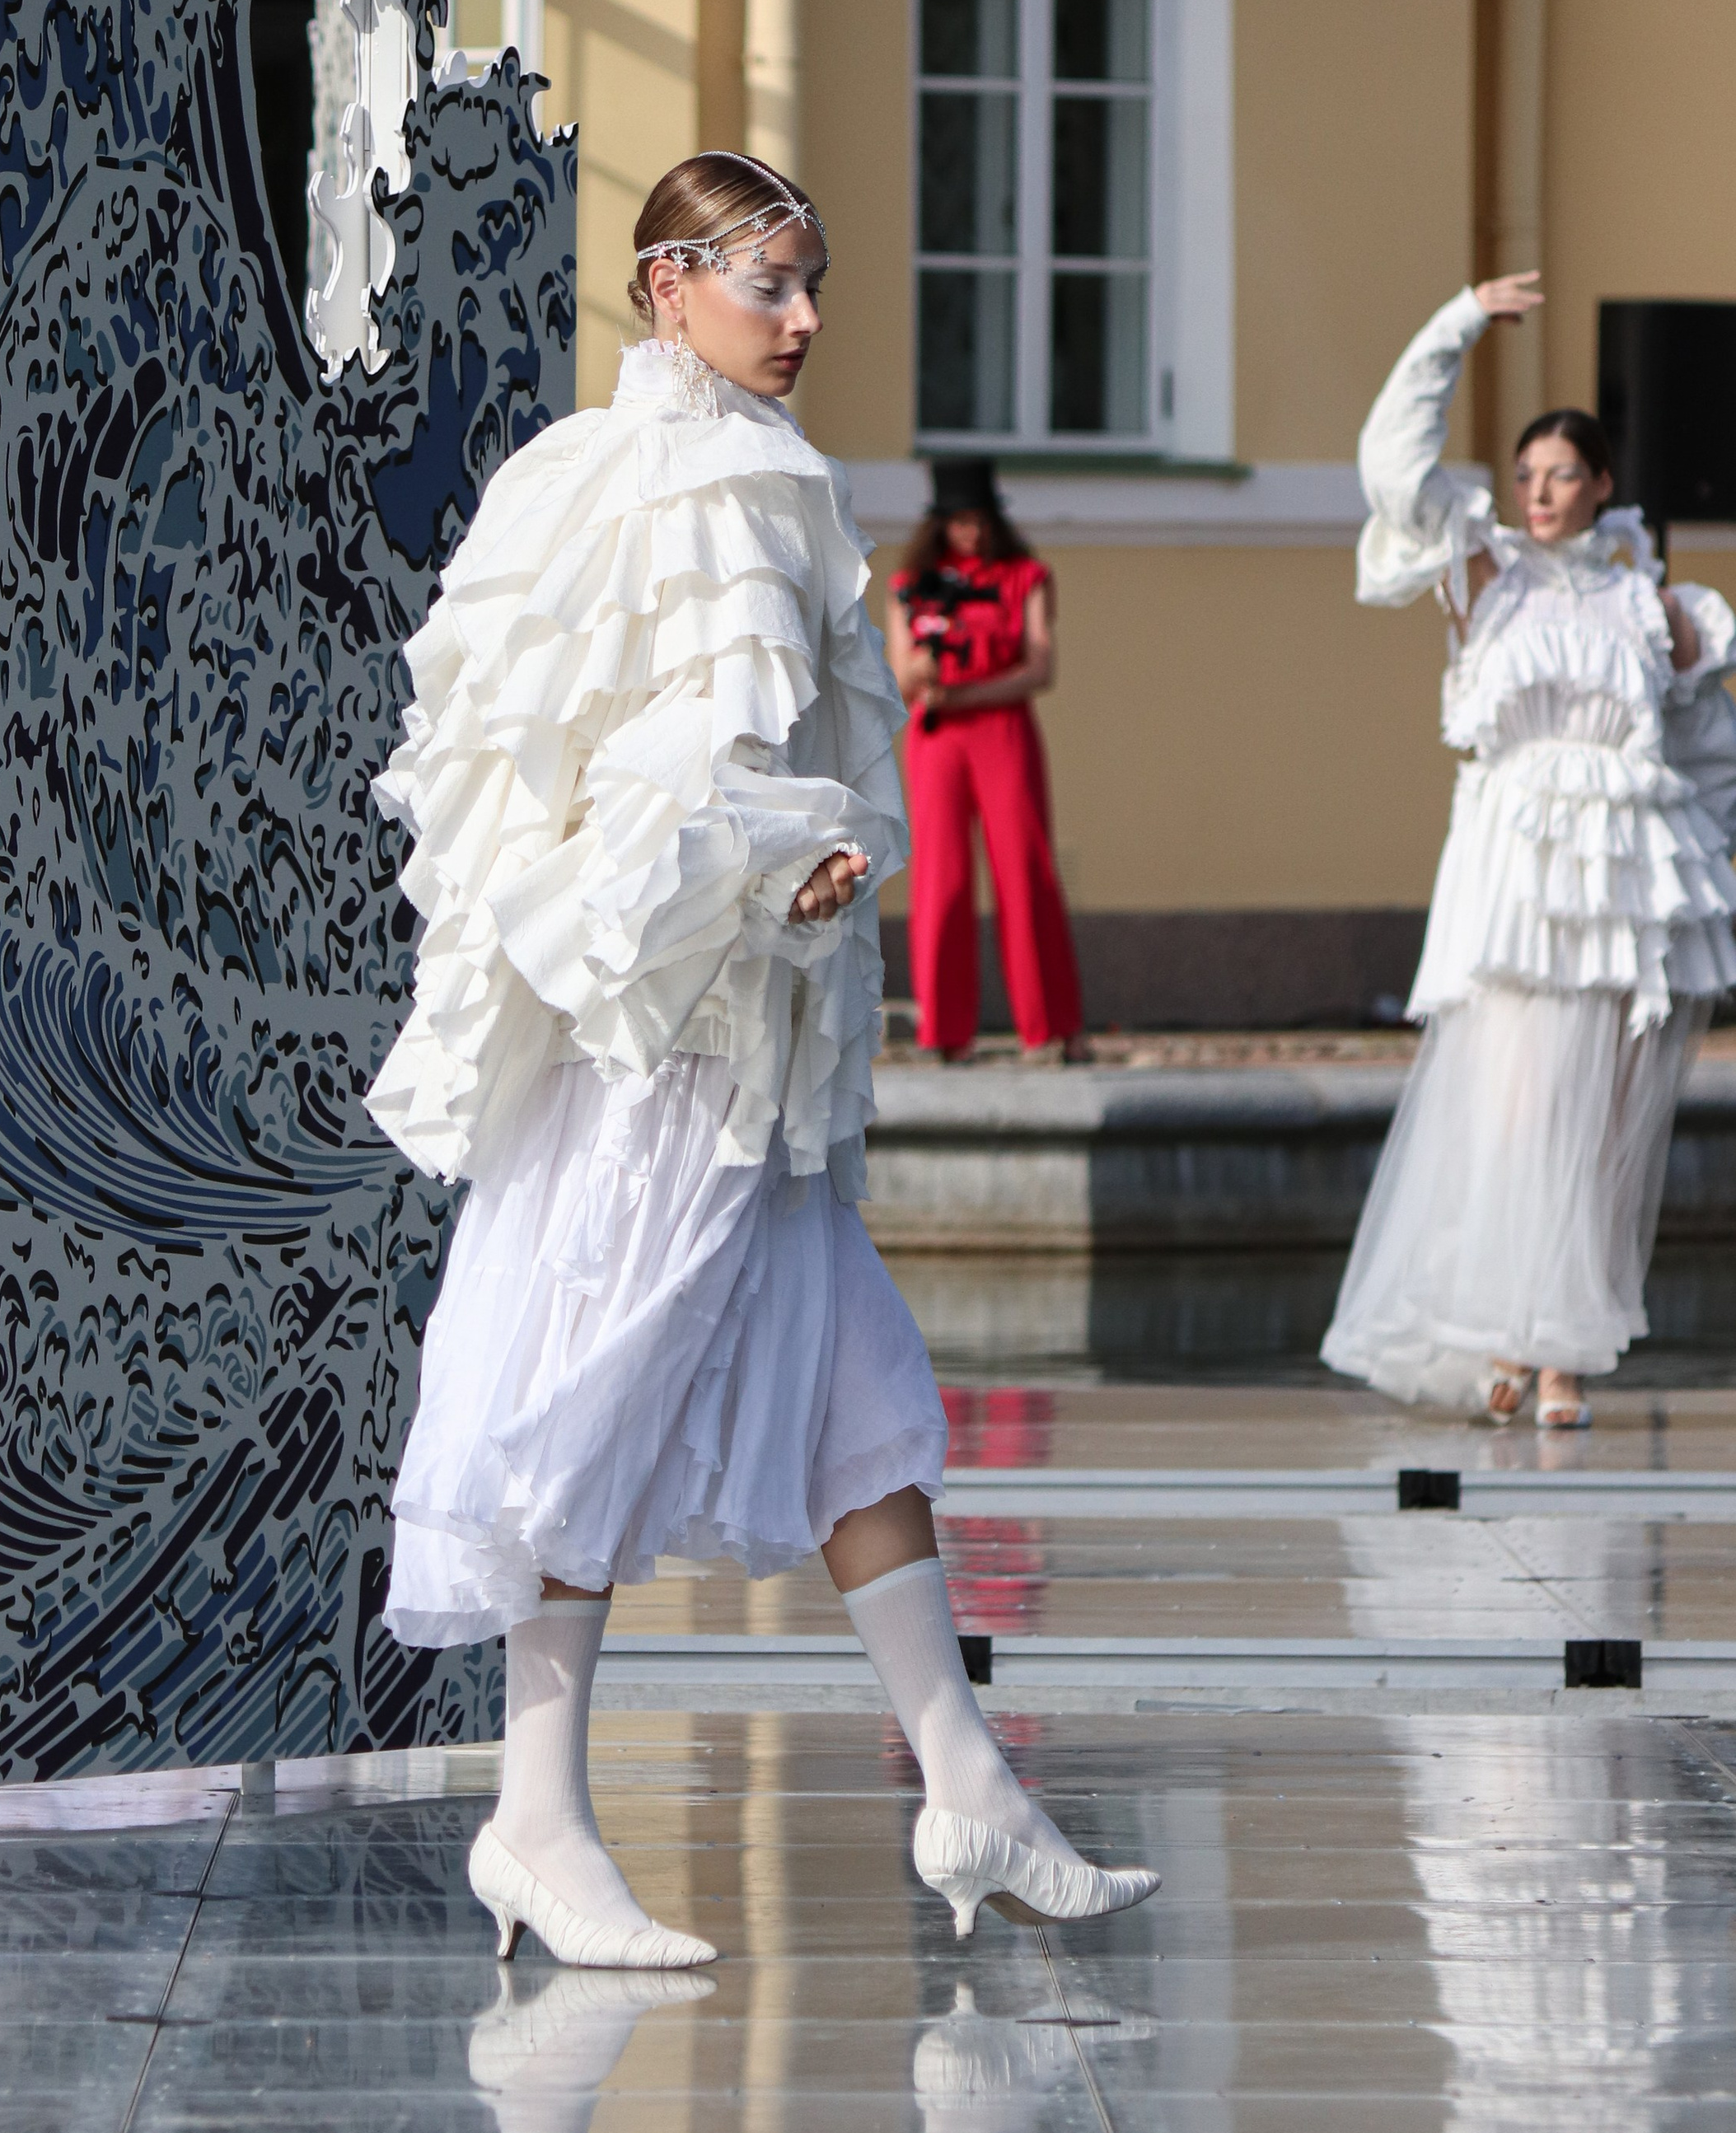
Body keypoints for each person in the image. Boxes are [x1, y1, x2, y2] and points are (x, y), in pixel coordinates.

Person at [367, 149, 1157, 1968]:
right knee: (602, 1382)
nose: (800, 321)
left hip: (728, 1028)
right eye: (767, 286)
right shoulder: (699, 479)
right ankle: (537, 1815)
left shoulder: (677, 467)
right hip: (675, 1051)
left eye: (812, 286)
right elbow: (661, 773)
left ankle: (966, 1783)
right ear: (666, 285)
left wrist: (773, 880)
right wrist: (768, 875)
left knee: (852, 1395)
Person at [1322, 276, 1736, 1428]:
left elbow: (1711, 753)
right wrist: (1454, 323)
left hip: (1619, 887)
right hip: (1514, 880)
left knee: (1599, 1122)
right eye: (1526, 476)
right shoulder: (1483, 577)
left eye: (1564, 476)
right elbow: (1394, 469)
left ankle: (1559, 1359)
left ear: (1603, 486)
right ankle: (1504, 1340)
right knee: (1511, 1111)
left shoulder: (1658, 609)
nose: (1541, 494)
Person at [885, 461, 1085, 1062]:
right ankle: (944, 1033)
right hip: (937, 738)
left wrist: (966, 692)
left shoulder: (1027, 578)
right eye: (958, 521)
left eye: (978, 519)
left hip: (1002, 730)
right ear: (940, 525)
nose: (970, 532)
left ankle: (1047, 1029)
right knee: (940, 877)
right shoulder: (910, 586)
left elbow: (1040, 668)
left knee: (1024, 872)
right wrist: (925, 669)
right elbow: (898, 678)